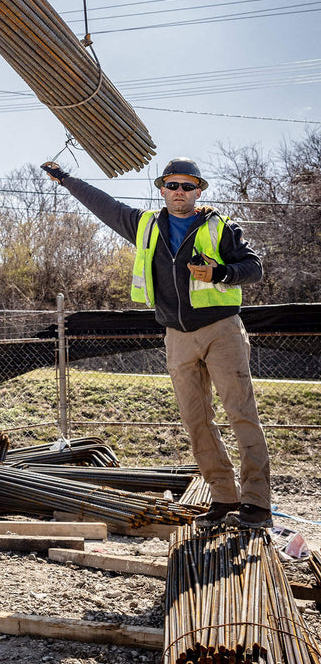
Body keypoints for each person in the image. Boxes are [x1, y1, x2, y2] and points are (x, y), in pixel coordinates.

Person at [41, 156, 272, 531]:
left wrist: (221, 272)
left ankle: (257, 504)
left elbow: (254, 267)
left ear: (198, 191)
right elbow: (105, 205)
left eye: (187, 186)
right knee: (197, 420)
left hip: (221, 330)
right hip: (176, 336)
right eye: (172, 185)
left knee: (241, 414)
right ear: (161, 189)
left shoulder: (221, 227)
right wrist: (66, 180)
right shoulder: (145, 225)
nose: (179, 192)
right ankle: (224, 497)